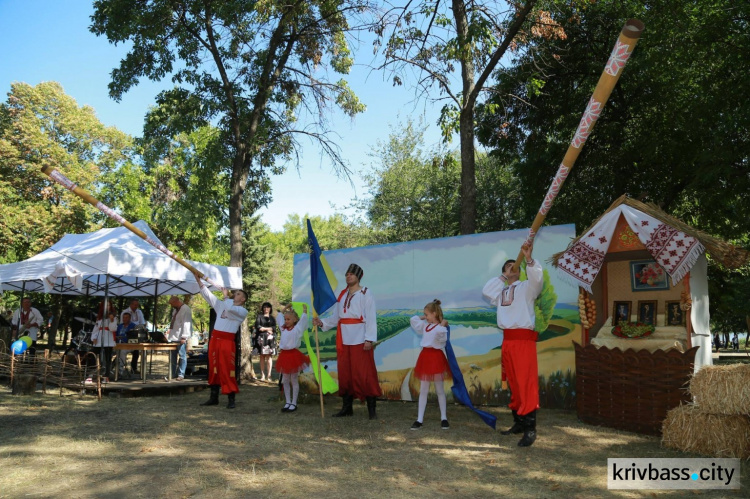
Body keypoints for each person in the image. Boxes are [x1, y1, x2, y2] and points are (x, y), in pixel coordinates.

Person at [482, 242, 543, 447]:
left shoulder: (526, 288)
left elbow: (537, 280)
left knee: (525, 382)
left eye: (513, 266)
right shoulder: (501, 292)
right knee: (514, 382)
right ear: (505, 273)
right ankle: (519, 422)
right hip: (508, 340)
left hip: (523, 341)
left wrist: (528, 259)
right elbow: (487, 291)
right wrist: (503, 277)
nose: (511, 268)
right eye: (508, 267)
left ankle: (531, 429)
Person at [313, 263, 382, 420]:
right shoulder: (342, 295)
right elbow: (336, 317)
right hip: (344, 339)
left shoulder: (365, 293)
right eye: (347, 274)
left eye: (351, 274)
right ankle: (347, 408)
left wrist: (369, 339)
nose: (348, 276)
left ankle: (372, 409)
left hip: (360, 338)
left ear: (358, 276)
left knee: (365, 373)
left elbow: (371, 317)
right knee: (345, 373)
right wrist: (322, 322)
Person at [193, 271, 249, 409]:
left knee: (227, 368)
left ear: (242, 300)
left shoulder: (242, 311)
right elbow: (208, 296)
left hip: (226, 341)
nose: (234, 294)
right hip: (215, 340)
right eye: (234, 293)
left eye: (238, 294)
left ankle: (231, 398)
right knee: (214, 367)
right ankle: (214, 397)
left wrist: (225, 296)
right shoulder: (224, 305)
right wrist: (198, 280)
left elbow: (230, 310)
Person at [409, 300, 451, 430]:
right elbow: (413, 320)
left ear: (434, 314)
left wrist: (442, 324)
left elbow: (442, 339)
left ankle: (444, 417)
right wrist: (425, 317)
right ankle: (419, 419)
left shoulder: (440, 329)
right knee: (424, 390)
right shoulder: (425, 327)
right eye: (424, 315)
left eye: (427, 314)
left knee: (439, 390)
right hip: (425, 358)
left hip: (436, 358)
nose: (425, 317)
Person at [275, 304, 310, 412]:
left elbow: (303, 321)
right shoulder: (283, 328)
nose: (286, 321)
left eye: (289, 319)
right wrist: (285, 308)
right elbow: (279, 317)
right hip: (284, 356)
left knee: (294, 379)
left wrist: (304, 311)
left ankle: (294, 403)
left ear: (295, 320)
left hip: (294, 355)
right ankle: (287, 401)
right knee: (285, 380)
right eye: (285, 319)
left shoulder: (297, 329)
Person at [164, 295, 192, 381]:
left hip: (181, 337)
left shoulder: (185, 309)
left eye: (172, 304)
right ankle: (172, 373)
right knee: (172, 357)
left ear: (176, 301)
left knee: (182, 356)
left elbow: (186, 323)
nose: (172, 306)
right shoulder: (175, 310)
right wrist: (169, 331)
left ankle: (181, 374)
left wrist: (184, 336)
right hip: (173, 336)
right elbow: (175, 322)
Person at [91, 306, 117, 381]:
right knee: (95, 355)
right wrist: (94, 337)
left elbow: (113, 329)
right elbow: (96, 329)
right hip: (99, 339)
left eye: (109, 306)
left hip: (109, 338)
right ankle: (95, 372)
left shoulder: (114, 318)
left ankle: (107, 375)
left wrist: (112, 320)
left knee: (108, 357)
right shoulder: (99, 319)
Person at [121, 299, 146, 373]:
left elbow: (142, 323)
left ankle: (133, 368)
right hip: (127, 334)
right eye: (135, 305)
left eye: (137, 305)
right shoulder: (125, 312)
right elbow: (123, 324)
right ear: (131, 304)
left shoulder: (139, 311)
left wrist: (142, 328)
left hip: (137, 333)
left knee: (136, 351)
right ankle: (121, 369)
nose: (136, 306)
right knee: (123, 351)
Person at [254, 302, 277, 381]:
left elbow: (274, 328)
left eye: (268, 307)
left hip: (270, 339)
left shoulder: (272, 318)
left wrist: (265, 328)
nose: (266, 309)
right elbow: (258, 327)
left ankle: (269, 375)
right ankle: (263, 375)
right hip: (261, 338)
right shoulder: (259, 317)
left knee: (269, 356)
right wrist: (268, 329)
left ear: (270, 308)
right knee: (262, 356)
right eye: (264, 307)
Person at [115, 312, 137, 376]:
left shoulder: (133, 326)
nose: (124, 319)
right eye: (123, 317)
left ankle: (120, 370)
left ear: (130, 318)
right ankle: (108, 368)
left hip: (128, 346)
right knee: (108, 350)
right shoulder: (119, 326)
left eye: (126, 317)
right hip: (118, 345)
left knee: (122, 351)